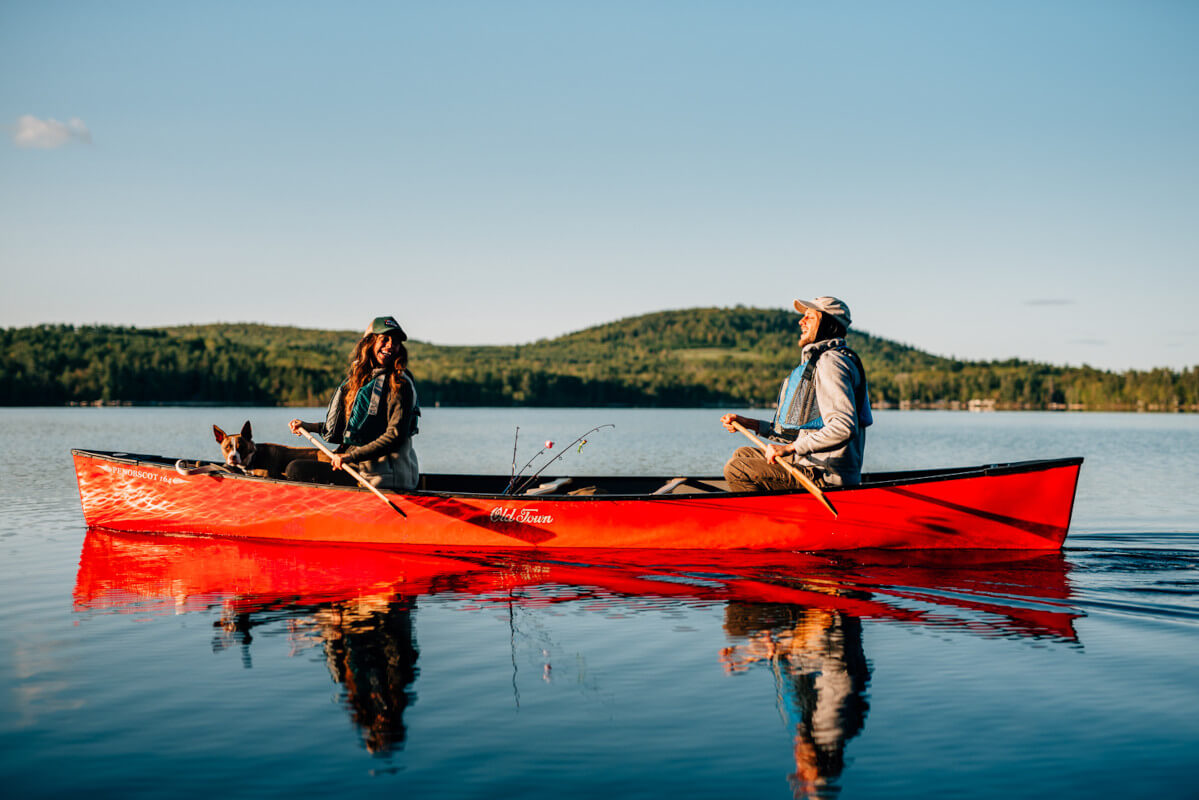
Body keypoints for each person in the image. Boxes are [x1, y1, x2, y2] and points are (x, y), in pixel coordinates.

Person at [721, 296, 872, 491]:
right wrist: (749, 424)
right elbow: (796, 434)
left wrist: (790, 449)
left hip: (825, 476)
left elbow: (843, 428)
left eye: (809, 317)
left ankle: (767, 520)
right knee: (742, 454)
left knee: (737, 469)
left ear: (827, 324)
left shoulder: (830, 363)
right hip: (810, 465)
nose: (801, 321)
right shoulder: (821, 361)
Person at [287, 315, 420, 490]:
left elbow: (395, 436)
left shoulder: (400, 383)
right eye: (384, 339)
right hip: (359, 469)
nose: (390, 345)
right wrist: (309, 426)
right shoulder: (366, 380)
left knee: (295, 469)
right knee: (295, 466)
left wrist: (350, 457)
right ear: (369, 342)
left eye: (395, 341)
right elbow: (353, 429)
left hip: (384, 477)